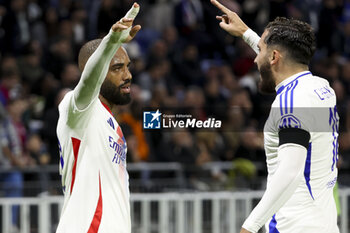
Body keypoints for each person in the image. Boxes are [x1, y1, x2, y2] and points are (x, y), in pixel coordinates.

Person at [211, 0, 340, 232]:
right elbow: (274, 58)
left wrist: (249, 227)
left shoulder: (290, 103)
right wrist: (246, 33)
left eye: (259, 50)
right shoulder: (322, 88)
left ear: (274, 57)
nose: (254, 58)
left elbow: (291, 170)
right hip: (324, 223)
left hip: (293, 226)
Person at [55, 3, 141, 233]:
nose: (128, 75)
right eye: (117, 68)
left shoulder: (111, 124)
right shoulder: (78, 108)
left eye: (128, 67)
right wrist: (112, 41)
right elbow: (88, 81)